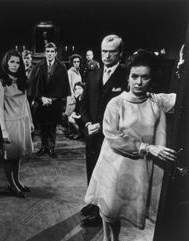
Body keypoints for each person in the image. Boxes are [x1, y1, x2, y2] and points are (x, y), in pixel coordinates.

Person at [84, 50, 177, 241]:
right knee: (109, 211)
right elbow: (112, 136)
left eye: (145, 77)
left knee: (119, 211)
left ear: (152, 79)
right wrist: (148, 148)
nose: (139, 82)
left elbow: (181, 97)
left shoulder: (156, 101)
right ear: (128, 77)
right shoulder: (116, 103)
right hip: (113, 165)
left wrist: (183, 63)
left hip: (136, 169)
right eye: (135, 76)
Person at [80, 34, 128, 226]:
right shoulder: (92, 75)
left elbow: (127, 111)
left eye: (112, 51)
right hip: (91, 134)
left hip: (112, 137)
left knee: (108, 175)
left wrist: (103, 125)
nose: (107, 56)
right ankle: (93, 203)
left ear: (120, 53)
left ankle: (103, 214)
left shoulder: (127, 77)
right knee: (92, 170)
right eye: (104, 51)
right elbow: (83, 104)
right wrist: (87, 124)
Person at [0, 49, 34, 198]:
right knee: (9, 156)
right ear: (6, 62)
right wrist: (3, 130)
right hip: (9, 122)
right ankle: (11, 184)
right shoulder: (1, 82)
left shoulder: (21, 80)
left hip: (22, 120)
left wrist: (30, 120)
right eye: (12, 62)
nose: (15, 65)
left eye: (18, 62)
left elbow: (25, 102)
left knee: (18, 155)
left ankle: (17, 181)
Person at [29, 42, 71, 158]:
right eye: (48, 51)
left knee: (52, 126)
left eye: (52, 51)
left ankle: (51, 148)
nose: (50, 54)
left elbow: (63, 86)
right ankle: (43, 147)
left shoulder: (61, 67)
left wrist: (52, 99)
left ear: (55, 53)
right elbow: (34, 85)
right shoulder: (39, 66)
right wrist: (41, 98)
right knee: (43, 126)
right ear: (45, 53)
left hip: (55, 101)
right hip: (42, 100)